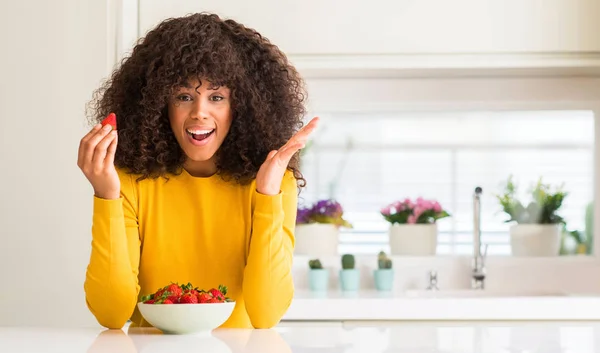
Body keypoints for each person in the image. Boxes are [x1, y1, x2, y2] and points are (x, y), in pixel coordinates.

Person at [77, 12, 318, 330]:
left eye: (216, 97)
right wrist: (106, 195)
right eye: (184, 97)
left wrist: (268, 195)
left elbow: (266, 313)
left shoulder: (273, 184)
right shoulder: (129, 183)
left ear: (241, 107)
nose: (199, 112)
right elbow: (111, 312)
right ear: (160, 105)